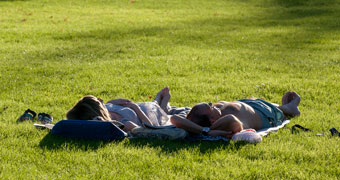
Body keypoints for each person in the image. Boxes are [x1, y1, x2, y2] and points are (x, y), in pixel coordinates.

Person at [170, 91, 301, 138]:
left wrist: (203, 130)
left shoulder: (199, 118)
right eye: (209, 106)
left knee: (253, 98)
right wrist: (208, 131)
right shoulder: (226, 123)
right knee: (284, 109)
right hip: (265, 113)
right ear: (212, 121)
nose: (211, 103)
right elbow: (232, 119)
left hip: (248, 102)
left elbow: (174, 118)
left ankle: (285, 106)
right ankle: (289, 108)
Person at [66, 87, 188, 133]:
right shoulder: (121, 124)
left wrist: (113, 102)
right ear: (97, 111)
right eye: (99, 103)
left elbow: (108, 104)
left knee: (154, 104)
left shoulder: (107, 108)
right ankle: (162, 104)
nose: (100, 100)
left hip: (146, 106)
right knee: (162, 111)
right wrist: (136, 108)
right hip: (152, 116)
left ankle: (158, 101)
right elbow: (150, 127)